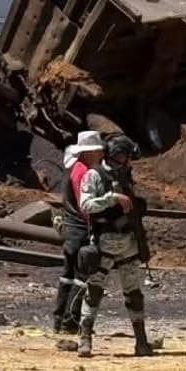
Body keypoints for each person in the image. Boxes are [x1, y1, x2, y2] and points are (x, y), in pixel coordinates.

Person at [77, 133, 154, 358]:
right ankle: (85, 338)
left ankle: (141, 342)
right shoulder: (94, 175)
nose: (129, 161)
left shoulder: (125, 175)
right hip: (104, 243)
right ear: (117, 155)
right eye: (126, 156)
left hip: (128, 244)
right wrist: (112, 199)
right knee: (94, 291)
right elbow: (86, 205)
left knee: (134, 294)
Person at [51, 130, 105, 334]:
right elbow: (86, 206)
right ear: (89, 152)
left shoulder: (73, 168)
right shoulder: (83, 172)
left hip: (70, 227)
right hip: (80, 229)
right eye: (98, 151)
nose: (101, 155)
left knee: (68, 275)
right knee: (81, 278)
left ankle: (59, 320)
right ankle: (71, 322)